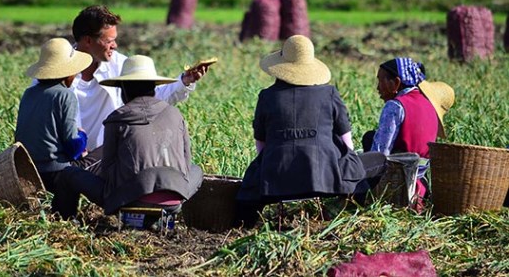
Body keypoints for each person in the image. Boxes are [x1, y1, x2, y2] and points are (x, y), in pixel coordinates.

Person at [235, 35, 387, 228]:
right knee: (379, 161)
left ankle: (244, 225)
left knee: (245, 195)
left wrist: (268, 167)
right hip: (327, 180)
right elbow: (346, 139)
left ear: (281, 66)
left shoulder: (267, 97)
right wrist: (347, 163)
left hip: (275, 183)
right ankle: (345, 210)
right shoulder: (329, 93)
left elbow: (261, 143)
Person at [70, 5, 209, 171]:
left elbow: (149, 98)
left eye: (114, 40)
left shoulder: (120, 65)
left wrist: (184, 81)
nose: (114, 46)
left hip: (107, 155)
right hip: (70, 155)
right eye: (109, 41)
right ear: (87, 41)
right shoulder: (56, 70)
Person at [97, 55, 204, 216]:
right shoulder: (175, 114)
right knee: (197, 170)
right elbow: (186, 161)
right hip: (174, 199)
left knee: (71, 175)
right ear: (154, 87)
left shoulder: (116, 119)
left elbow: (107, 171)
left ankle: (66, 219)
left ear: (123, 89)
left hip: (132, 200)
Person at [15, 38, 103, 219]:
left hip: (28, 170)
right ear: (67, 73)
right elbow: (73, 146)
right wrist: (83, 136)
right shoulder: (65, 95)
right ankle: (67, 216)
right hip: (55, 172)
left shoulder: (29, 93)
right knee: (105, 151)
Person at [362, 58, 455, 208]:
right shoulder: (430, 104)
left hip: (400, 181)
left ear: (396, 83)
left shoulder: (395, 106)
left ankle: (374, 197)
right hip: (421, 184)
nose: (377, 87)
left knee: (368, 139)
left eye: (380, 81)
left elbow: (379, 154)